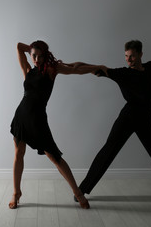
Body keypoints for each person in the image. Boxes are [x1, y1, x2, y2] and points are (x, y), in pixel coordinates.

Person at [75, 40, 151, 201]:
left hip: (145, 120)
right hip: (128, 118)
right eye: (126, 56)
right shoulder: (123, 73)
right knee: (108, 152)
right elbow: (96, 69)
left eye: (132, 56)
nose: (128, 59)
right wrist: (71, 66)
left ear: (140, 55)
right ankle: (81, 190)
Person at [9, 40, 106, 209]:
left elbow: (75, 69)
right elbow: (18, 46)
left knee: (55, 157)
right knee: (19, 153)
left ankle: (78, 193)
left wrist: (95, 67)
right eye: (33, 56)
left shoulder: (52, 70)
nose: (36, 59)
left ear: (45, 56)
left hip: (38, 120)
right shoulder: (28, 71)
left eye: (40, 56)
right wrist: (34, 49)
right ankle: (16, 193)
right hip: (21, 117)